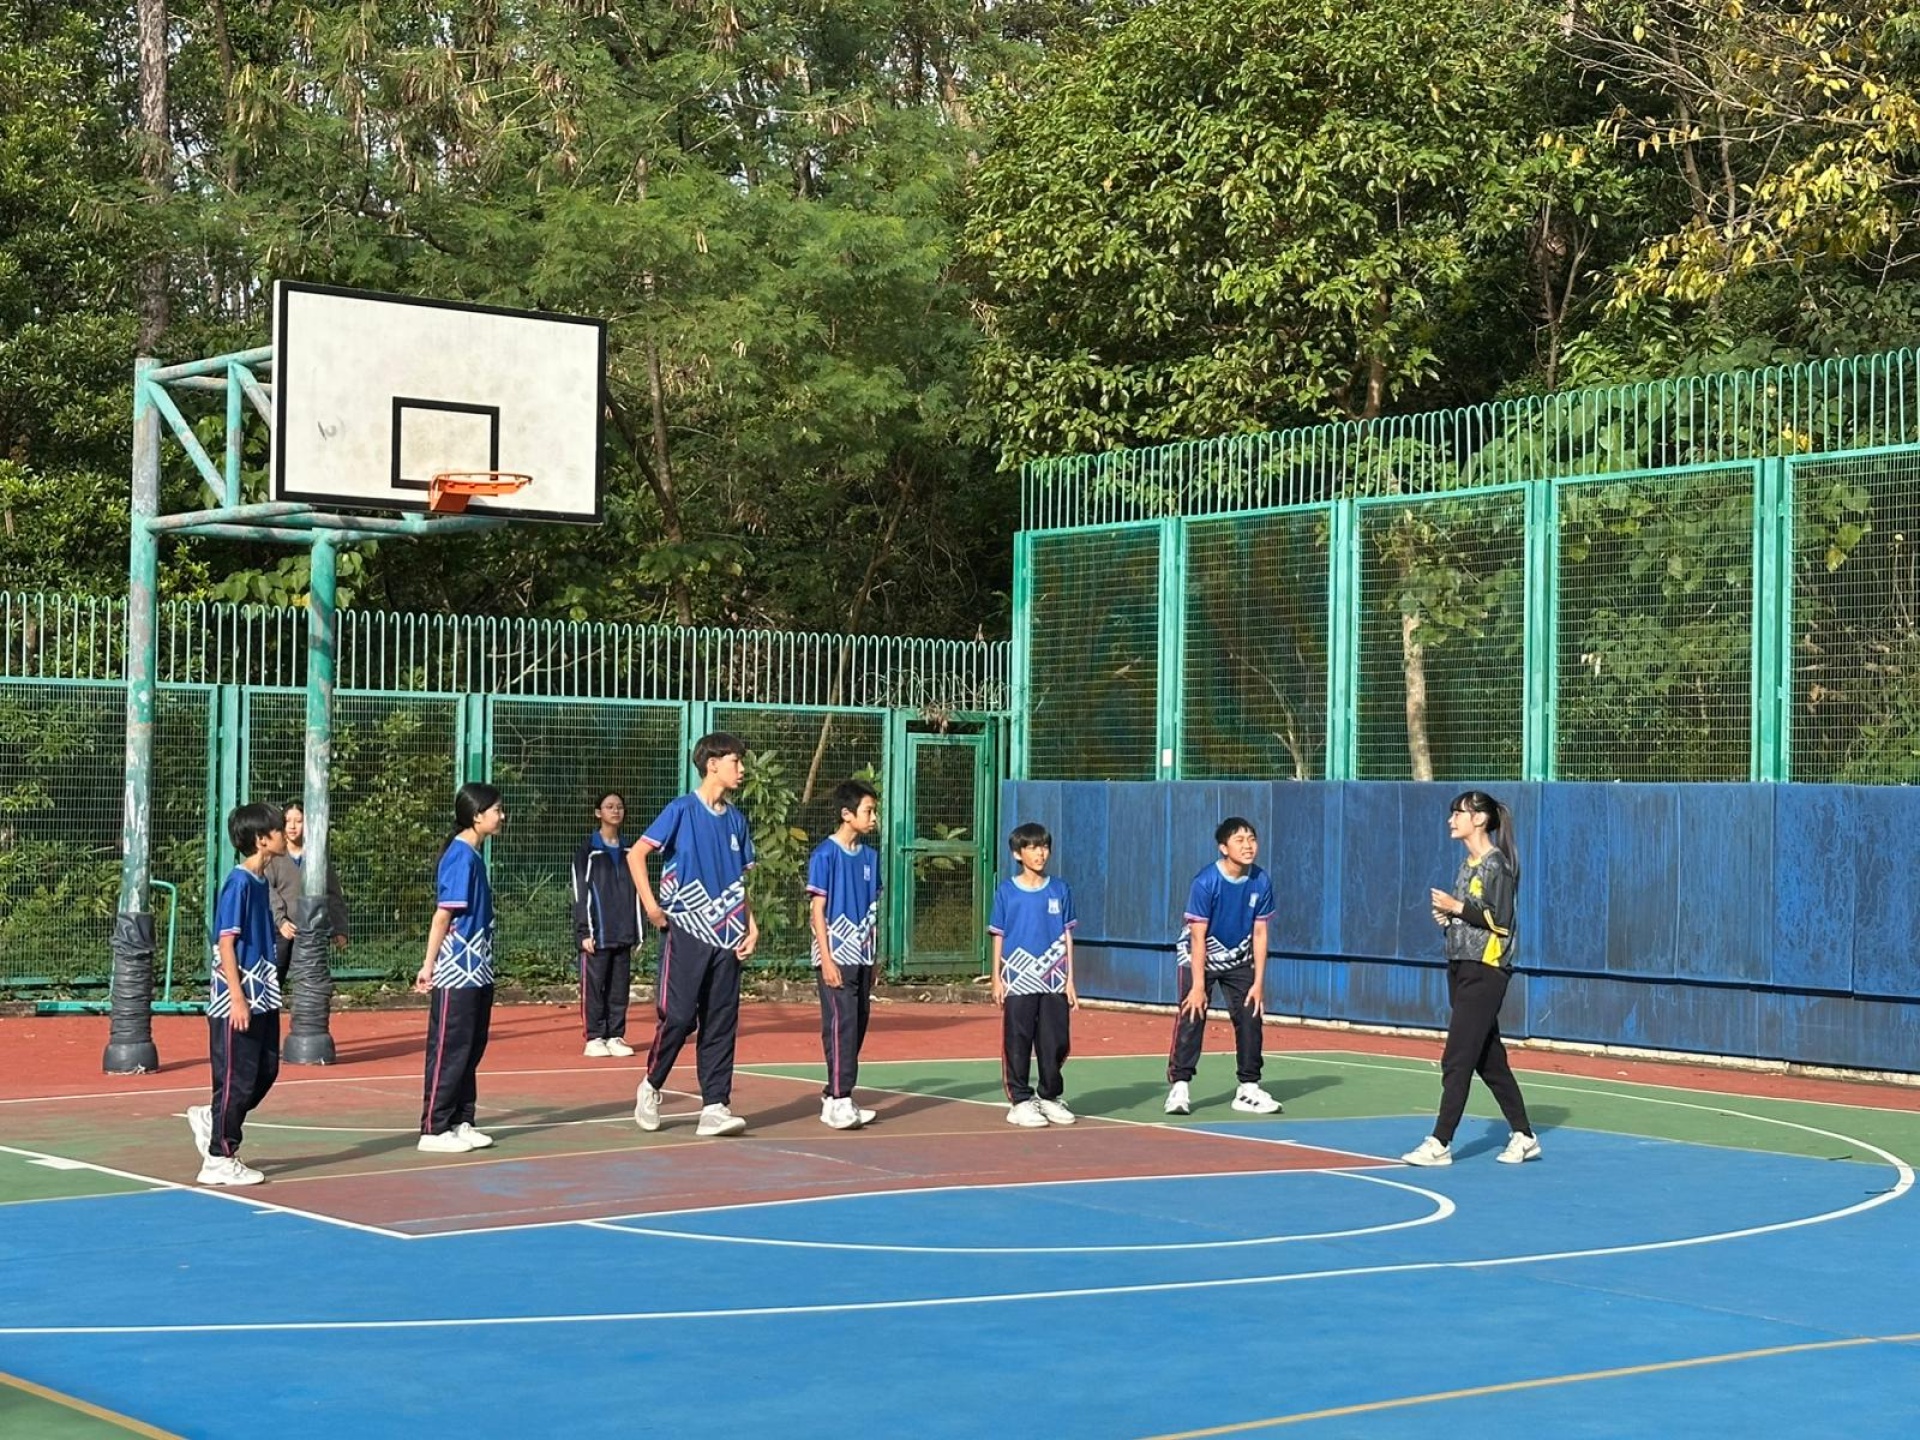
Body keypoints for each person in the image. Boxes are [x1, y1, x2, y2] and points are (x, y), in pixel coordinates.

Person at [1402, 790, 1542, 1168]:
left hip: (1486, 969)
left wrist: (1457, 907)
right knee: (1488, 1060)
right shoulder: (1467, 865)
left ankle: (1440, 1141)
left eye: (1458, 813)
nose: (1451, 820)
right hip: (1460, 964)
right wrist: (1448, 917)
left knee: (1457, 1057)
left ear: (1479, 819)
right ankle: (1524, 1135)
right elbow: (1471, 914)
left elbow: (1501, 921)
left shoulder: (1497, 866)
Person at [629, 733, 759, 1138]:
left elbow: (740, 880)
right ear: (712, 764)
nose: (742, 769)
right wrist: (652, 906)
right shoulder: (681, 810)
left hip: (728, 935)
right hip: (686, 930)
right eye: (735, 761)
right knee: (680, 1017)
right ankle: (651, 1085)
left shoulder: (737, 820)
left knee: (721, 1022)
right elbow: (636, 854)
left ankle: (715, 1106)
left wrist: (751, 924)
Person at [185, 802, 287, 1186]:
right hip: (238, 998)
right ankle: (219, 1157)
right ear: (262, 839)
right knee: (238, 1078)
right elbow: (225, 944)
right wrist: (237, 998)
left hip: (263, 994)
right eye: (279, 829)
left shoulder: (261, 882)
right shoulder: (239, 883)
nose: (286, 834)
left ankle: (214, 1118)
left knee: (267, 1070)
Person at [1165, 817, 1283, 1117]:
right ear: (1223, 847)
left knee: (1251, 1015)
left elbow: (1260, 933)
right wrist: (1198, 986)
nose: (1248, 846)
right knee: (1193, 1014)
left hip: (1238, 958)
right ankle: (1180, 1086)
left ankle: (1248, 1088)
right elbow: (1198, 936)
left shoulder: (1261, 880)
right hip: (1198, 956)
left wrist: (1258, 982)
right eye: (1239, 840)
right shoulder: (1206, 882)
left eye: (1252, 839)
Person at [414, 783, 505, 1155]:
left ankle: (461, 1120)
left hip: (478, 967)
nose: (502, 816)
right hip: (456, 968)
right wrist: (429, 965)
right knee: (451, 1048)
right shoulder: (459, 857)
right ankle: (434, 1128)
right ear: (476, 815)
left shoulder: (474, 855)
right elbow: (442, 916)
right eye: (496, 810)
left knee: (471, 1046)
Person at [989, 821, 1078, 1128]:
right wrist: (996, 977)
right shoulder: (1006, 892)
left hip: (1054, 978)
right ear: (1018, 853)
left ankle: (1049, 1096)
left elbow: (1067, 936)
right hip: (1018, 979)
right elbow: (998, 935)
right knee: (1018, 1039)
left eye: (1044, 847)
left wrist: (1070, 979)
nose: (1040, 853)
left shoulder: (1060, 889)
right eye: (1032, 847)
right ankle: (1020, 1101)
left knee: (1056, 1040)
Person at [806, 778, 882, 1130]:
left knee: (858, 1024)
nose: (874, 818)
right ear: (846, 814)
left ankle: (836, 1094)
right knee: (841, 1026)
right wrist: (826, 958)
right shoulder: (825, 855)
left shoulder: (871, 857)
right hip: (836, 954)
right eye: (868, 811)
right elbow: (817, 910)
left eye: (875, 811)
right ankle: (839, 1098)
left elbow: (874, 909)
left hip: (863, 955)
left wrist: (874, 955)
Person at [572, 791, 640, 1059]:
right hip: (597, 933)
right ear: (598, 813)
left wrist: (638, 932)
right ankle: (594, 1037)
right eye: (609, 806)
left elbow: (638, 892)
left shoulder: (631, 851)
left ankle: (615, 1035)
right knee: (595, 986)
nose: (615, 811)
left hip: (623, 931)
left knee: (619, 988)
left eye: (619, 806)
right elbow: (580, 892)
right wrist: (584, 931)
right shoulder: (588, 851)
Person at [265, 801, 349, 995]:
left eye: (299, 821)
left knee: (309, 986)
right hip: (281, 931)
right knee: (272, 983)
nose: (292, 826)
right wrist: (280, 920)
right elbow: (269, 890)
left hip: (311, 930)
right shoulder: (275, 855)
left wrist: (340, 928)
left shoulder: (317, 857)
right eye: (288, 821)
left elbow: (333, 893)